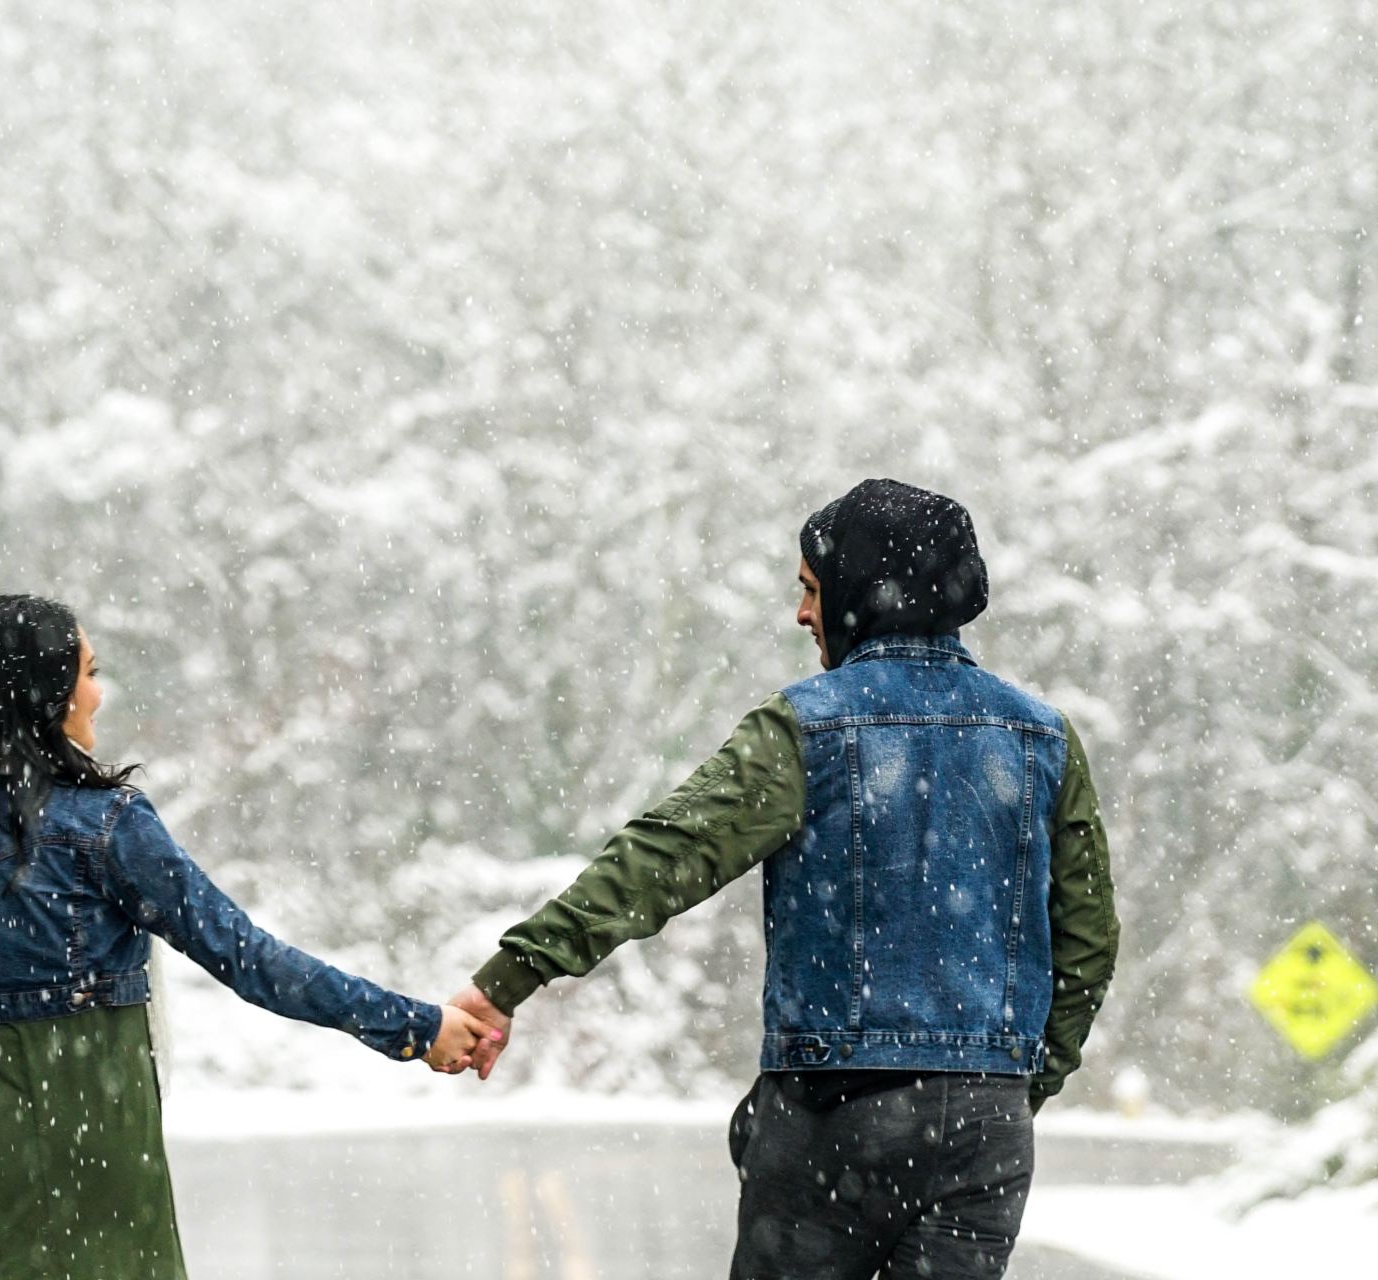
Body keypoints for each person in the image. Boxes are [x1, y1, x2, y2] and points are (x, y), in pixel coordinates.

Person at [449, 479, 1119, 1280]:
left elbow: (664, 858)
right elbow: (1088, 941)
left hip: (833, 1115)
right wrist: (1012, 1086)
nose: (804, 615)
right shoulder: (1041, 739)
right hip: (985, 1124)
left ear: (860, 592)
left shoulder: (808, 729)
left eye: (811, 590)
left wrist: (511, 976)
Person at [0, 594, 498, 1278]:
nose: (98, 692)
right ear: (50, 695)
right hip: (89, 1143)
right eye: (88, 672)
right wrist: (413, 1028)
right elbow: (248, 957)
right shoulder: (104, 825)